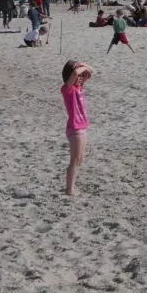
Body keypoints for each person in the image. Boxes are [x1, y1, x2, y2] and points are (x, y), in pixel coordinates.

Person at [61, 59, 93, 195]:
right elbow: (74, 73)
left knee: (80, 159)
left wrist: (83, 66)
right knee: (74, 159)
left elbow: (91, 70)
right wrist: (78, 68)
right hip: (75, 129)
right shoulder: (67, 89)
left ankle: (71, 186)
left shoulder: (79, 87)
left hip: (82, 127)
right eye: (78, 76)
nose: (80, 78)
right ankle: (70, 189)